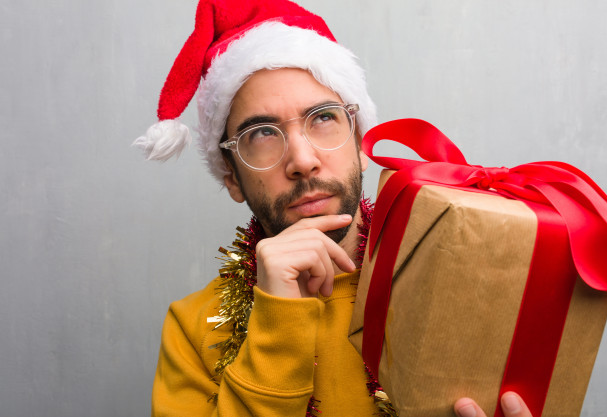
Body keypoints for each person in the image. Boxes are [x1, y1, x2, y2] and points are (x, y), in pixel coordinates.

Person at [135, 1, 534, 416]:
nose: (302, 160)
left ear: (362, 144)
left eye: (323, 117)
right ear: (231, 177)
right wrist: (279, 321)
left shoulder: (461, 277)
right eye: (262, 133)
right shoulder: (195, 327)